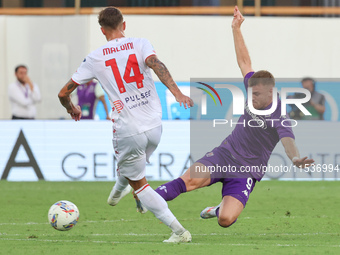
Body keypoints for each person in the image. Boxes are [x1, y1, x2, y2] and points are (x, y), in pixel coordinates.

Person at [135, 6, 314, 229]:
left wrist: (295, 159)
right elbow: (244, 62)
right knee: (188, 181)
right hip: (224, 154)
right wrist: (236, 28)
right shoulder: (253, 88)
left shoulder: (279, 115)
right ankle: (146, 196)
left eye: (256, 94)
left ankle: (218, 209)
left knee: (226, 220)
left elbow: (289, 142)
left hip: (247, 171)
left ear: (271, 93)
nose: (251, 97)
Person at [58, 7, 193, 243]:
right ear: (124, 24)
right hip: (154, 125)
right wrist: (178, 93)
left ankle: (179, 231)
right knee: (131, 168)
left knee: (139, 182)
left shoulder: (94, 58)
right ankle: (119, 191)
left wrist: (72, 108)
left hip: (128, 129)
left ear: (102, 30)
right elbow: (156, 64)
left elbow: (63, 93)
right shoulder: (141, 43)